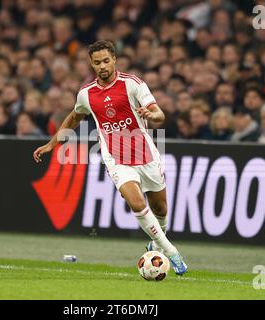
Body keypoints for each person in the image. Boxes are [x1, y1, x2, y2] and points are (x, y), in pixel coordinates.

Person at [33, 40, 188, 275]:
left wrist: (151, 114)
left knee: (161, 208)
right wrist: (52, 143)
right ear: (91, 64)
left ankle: (156, 245)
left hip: (146, 155)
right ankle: (172, 252)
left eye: (106, 61)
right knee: (136, 203)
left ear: (114, 59)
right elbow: (74, 118)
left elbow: (159, 113)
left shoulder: (133, 84)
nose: (102, 66)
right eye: (97, 63)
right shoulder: (86, 94)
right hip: (116, 158)